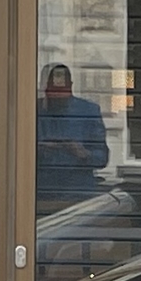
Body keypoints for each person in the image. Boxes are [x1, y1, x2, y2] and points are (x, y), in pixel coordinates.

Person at [36, 62, 110, 199]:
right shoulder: (32, 110)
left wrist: (82, 153)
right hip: (40, 193)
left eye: (62, 94)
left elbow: (103, 158)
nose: (57, 99)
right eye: (54, 93)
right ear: (45, 88)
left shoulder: (88, 111)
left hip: (78, 194)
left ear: (71, 86)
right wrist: (38, 150)